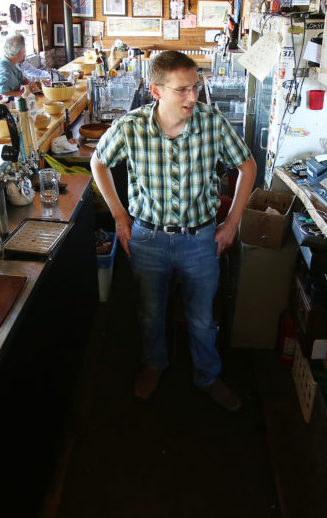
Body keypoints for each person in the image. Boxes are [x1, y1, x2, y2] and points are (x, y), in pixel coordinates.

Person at [90, 51, 256, 412]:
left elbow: (248, 167)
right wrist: (120, 217)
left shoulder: (212, 123)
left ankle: (208, 376)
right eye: (182, 90)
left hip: (200, 239)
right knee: (150, 313)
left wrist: (232, 223)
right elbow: (98, 162)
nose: (192, 98)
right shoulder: (131, 127)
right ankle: (154, 364)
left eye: (195, 88)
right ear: (156, 91)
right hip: (148, 238)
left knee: (201, 318)